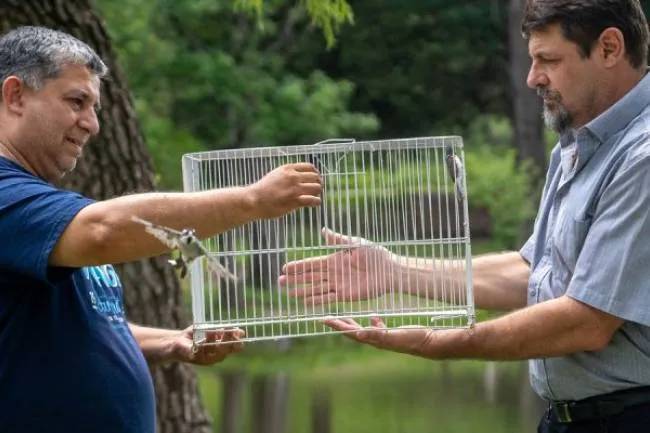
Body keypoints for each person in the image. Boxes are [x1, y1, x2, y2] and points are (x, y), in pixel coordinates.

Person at [280, 1, 650, 431]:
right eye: (532, 60)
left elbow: (586, 320)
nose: (533, 78)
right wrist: (394, 270)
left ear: (609, 48)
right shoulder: (580, 143)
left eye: (548, 59)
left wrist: (439, 343)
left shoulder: (641, 158)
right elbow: (534, 273)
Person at [0, 26, 322, 433]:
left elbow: (87, 325)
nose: (93, 125)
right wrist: (251, 201)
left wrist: (172, 343)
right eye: (77, 101)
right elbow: (103, 230)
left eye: (95, 107)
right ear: (15, 96)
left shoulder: (36, 205)